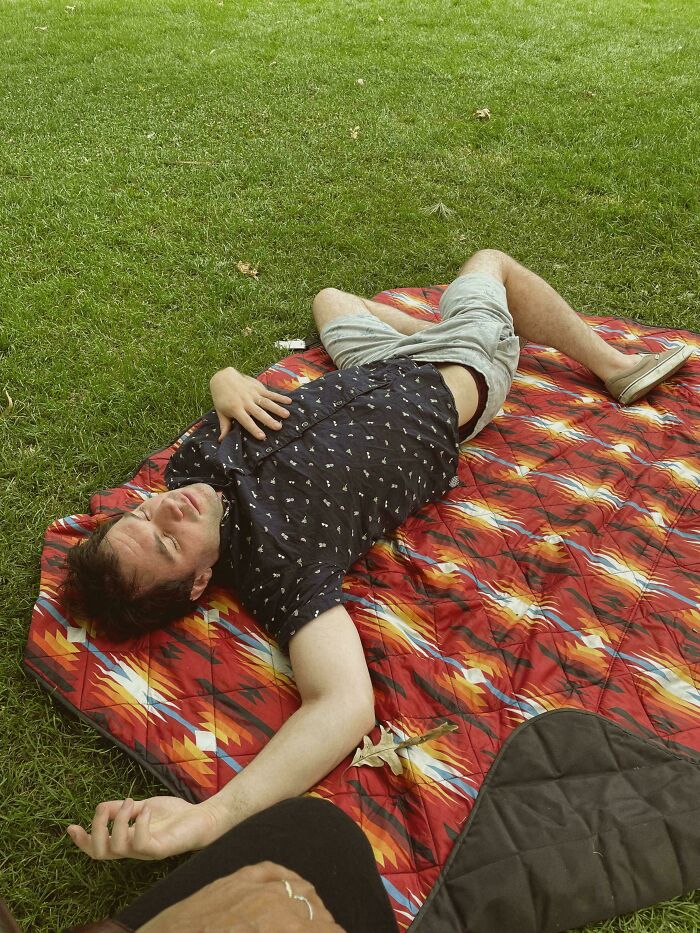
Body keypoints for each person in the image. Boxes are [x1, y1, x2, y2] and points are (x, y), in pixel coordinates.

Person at [63, 249, 690, 872]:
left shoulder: (190, 468)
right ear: (201, 582)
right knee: (491, 263)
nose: (169, 511)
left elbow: (231, 395)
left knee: (330, 300)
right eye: (170, 543)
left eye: (142, 516)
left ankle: (447, 326)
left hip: (374, 366)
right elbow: (341, 703)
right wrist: (213, 817)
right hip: (455, 377)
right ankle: (616, 366)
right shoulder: (280, 568)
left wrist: (225, 379)